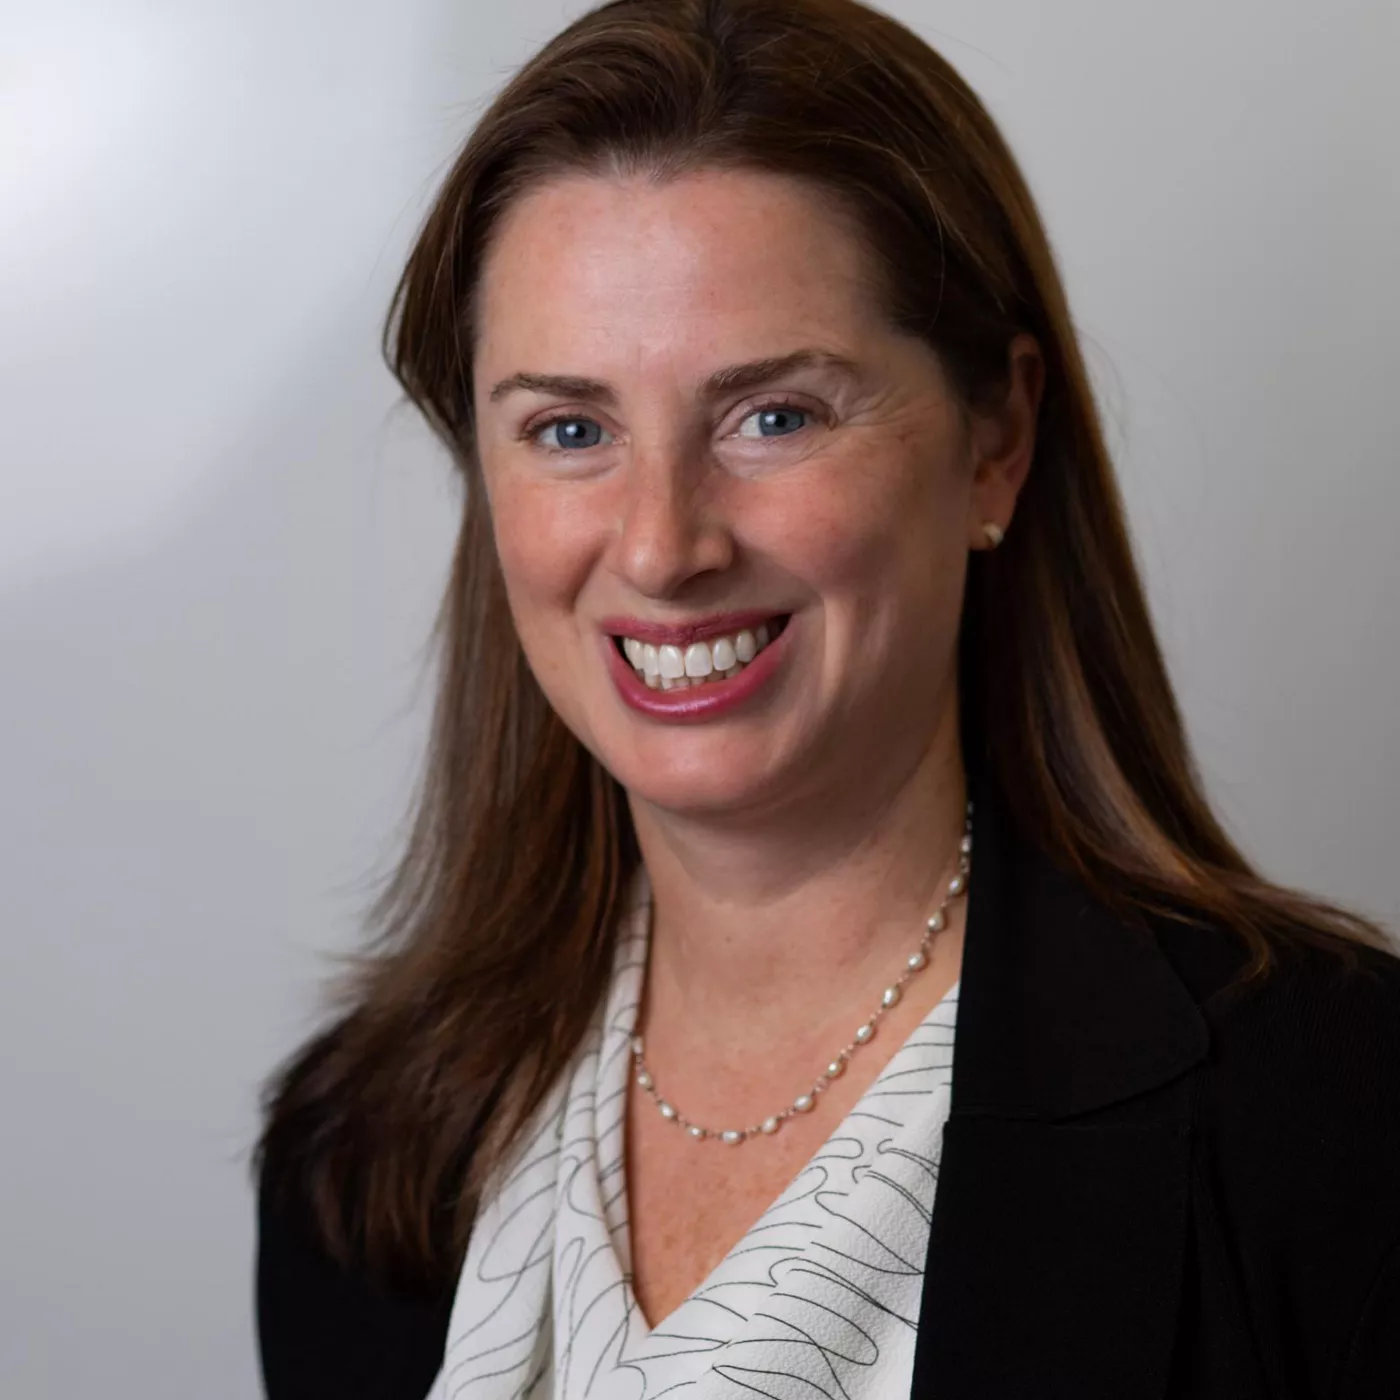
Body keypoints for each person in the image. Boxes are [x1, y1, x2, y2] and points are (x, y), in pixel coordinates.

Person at [253, 1, 1400, 1396]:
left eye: (774, 415)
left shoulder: (1340, 1117)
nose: (665, 544)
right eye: (570, 429)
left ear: (998, 440)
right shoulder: (360, 1152)